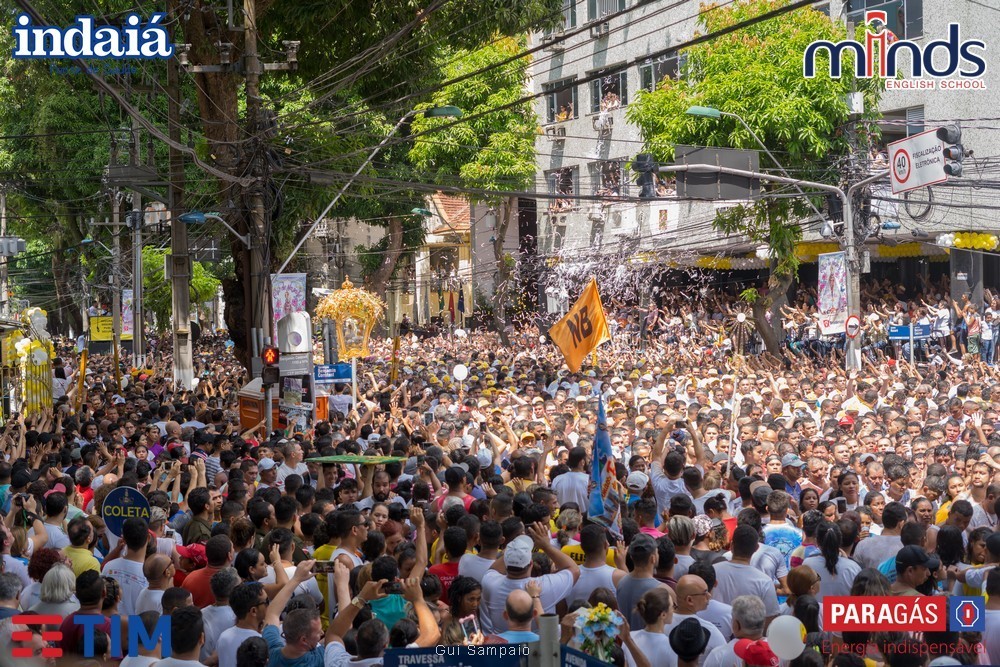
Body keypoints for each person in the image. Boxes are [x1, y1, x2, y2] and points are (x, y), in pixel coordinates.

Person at [481, 522, 579, 633]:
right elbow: (574, 570)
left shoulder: (490, 583)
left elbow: (493, 570)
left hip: (502, 643)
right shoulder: (543, 586)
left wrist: (513, 550)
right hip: (540, 643)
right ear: (531, 563)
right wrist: (546, 547)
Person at [711, 525, 779, 619]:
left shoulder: (712, 571)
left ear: (731, 545)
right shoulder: (765, 581)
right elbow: (770, 617)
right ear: (756, 548)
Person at [702, 596, 775, 667]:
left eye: (732, 620)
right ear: (763, 622)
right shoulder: (777, 650)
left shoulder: (718, 656)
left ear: (737, 625)